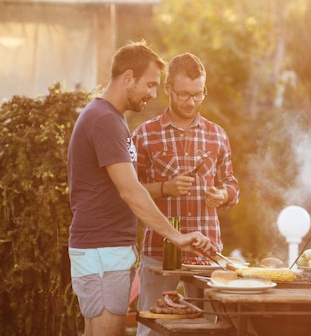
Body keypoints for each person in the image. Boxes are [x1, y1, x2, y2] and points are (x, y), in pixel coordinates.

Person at [67, 42, 216, 336]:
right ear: (128, 77)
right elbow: (130, 191)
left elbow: (125, 188)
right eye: (149, 85)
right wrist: (176, 236)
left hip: (104, 249)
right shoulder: (105, 120)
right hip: (103, 251)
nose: (152, 93)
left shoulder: (109, 118)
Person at [132, 52, 240, 336]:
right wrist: (165, 188)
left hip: (206, 254)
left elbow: (232, 183)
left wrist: (224, 195)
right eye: (184, 95)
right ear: (167, 89)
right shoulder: (144, 135)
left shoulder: (217, 135)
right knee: (152, 328)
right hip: (159, 249)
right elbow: (129, 190)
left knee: (207, 329)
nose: (191, 102)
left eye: (198, 94)